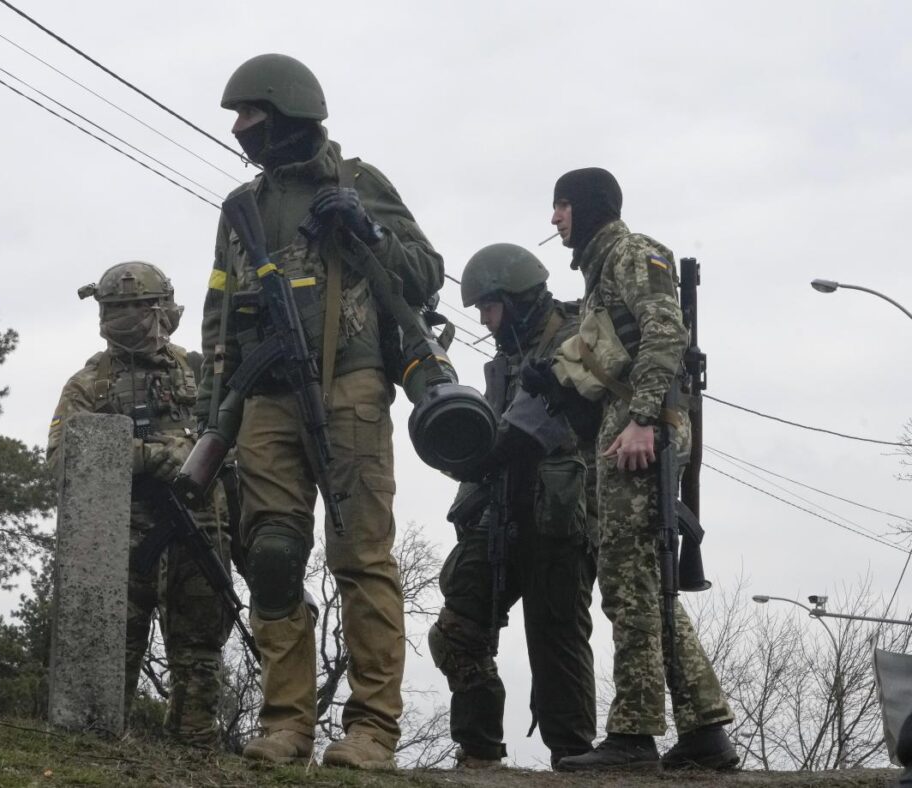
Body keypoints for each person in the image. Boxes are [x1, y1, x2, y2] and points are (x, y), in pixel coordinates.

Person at [197, 53, 444, 769]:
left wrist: (368, 230)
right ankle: (286, 724)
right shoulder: (240, 208)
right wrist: (214, 417)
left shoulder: (358, 183)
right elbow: (218, 317)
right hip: (263, 400)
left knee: (360, 557)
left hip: (351, 389)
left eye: (250, 114)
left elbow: (427, 274)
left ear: (287, 112)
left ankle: (372, 729)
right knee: (271, 556)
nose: (240, 129)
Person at [539, 168, 738, 772]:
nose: (555, 218)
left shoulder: (632, 253)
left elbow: (666, 332)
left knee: (628, 584)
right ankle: (704, 731)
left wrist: (645, 418)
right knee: (643, 584)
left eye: (563, 205)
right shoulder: (602, 271)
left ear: (589, 206)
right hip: (626, 423)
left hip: (641, 426)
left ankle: (633, 735)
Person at [47, 261, 232, 749]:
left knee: (200, 645)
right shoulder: (89, 383)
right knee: (110, 644)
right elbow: (62, 461)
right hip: (119, 535)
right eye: (121, 311)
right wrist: (146, 457)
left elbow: (234, 444)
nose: (132, 321)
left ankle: (194, 748)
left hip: (197, 528)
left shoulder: (198, 371)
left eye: (139, 310)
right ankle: (95, 745)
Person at [428, 243, 598, 770]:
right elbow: (493, 434)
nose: (484, 320)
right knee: (457, 628)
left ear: (517, 297)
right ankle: (479, 752)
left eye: (489, 306)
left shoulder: (573, 335)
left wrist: (475, 451)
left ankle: (573, 758)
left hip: (560, 513)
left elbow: (525, 429)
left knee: (555, 636)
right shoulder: (507, 357)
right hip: (500, 509)